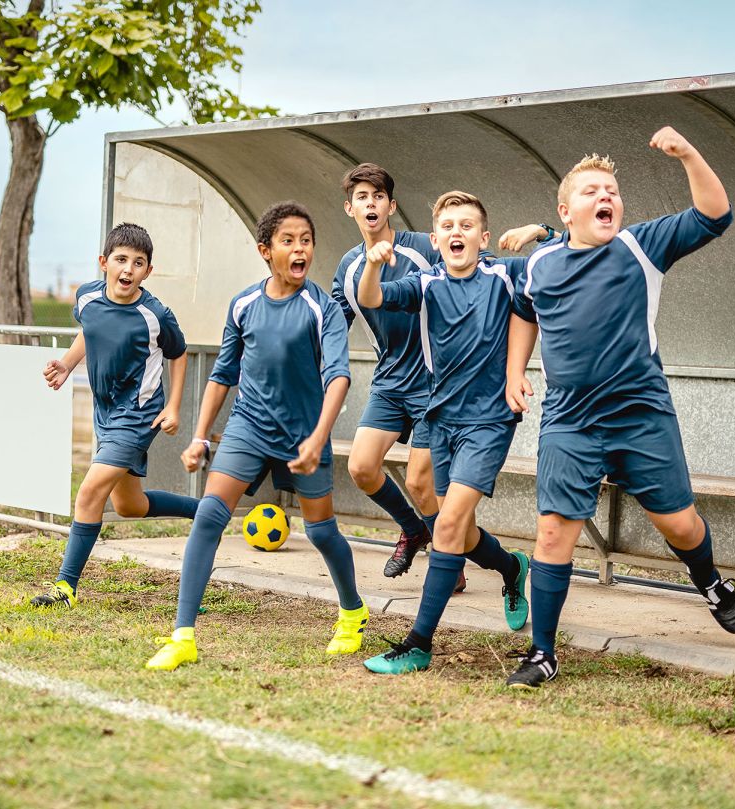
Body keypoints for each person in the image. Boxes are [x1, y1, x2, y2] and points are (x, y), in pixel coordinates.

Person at [505, 127, 735, 690]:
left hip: (641, 415)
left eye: (611, 190)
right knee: (552, 534)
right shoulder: (540, 264)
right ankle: (543, 652)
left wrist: (689, 153)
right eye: (591, 191)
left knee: (679, 525)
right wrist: (515, 371)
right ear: (565, 212)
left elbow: (716, 214)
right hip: (569, 419)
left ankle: (709, 581)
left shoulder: (642, 246)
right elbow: (523, 310)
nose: (605, 196)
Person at [145, 201, 368, 671]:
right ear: (265, 250)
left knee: (321, 531)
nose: (300, 248)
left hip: (305, 433)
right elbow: (223, 374)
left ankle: (352, 612)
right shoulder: (244, 304)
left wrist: (318, 438)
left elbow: (338, 377)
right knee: (210, 516)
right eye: (288, 241)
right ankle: (182, 636)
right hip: (248, 426)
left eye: (306, 240)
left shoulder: (322, 308)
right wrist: (201, 437)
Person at [357, 191, 544, 675]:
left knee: (446, 525)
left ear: (483, 238)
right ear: (435, 239)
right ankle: (511, 568)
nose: (456, 232)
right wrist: (373, 265)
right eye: (448, 226)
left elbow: (572, 253)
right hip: (440, 420)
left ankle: (418, 643)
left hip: (489, 420)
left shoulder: (505, 274)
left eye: (466, 225)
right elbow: (370, 298)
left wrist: (540, 231)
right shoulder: (426, 283)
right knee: (458, 530)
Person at [31, 223, 199, 608]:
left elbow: (178, 354)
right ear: (104, 262)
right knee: (129, 505)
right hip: (105, 411)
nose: (128, 269)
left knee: (90, 491)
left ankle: (65, 587)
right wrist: (67, 365)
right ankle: (204, 511)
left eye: (138, 263)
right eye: (121, 259)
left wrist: (173, 406)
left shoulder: (156, 314)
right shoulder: (87, 297)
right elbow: (89, 331)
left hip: (138, 415)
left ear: (148, 271)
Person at [331, 163, 448, 582]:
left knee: (421, 483)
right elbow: (332, 326)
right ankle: (414, 530)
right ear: (350, 208)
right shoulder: (348, 266)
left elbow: (473, 267)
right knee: (361, 467)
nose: (371, 204)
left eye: (378, 196)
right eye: (362, 197)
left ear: (391, 206)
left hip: (434, 382)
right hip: (389, 382)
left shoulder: (422, 247)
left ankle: (448, 562)